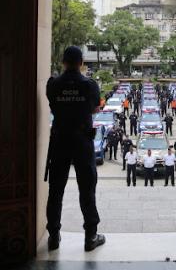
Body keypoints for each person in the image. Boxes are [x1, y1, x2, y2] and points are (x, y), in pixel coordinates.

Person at [45, 46, 105, 252]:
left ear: (63, 62)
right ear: (81, 63)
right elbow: (96, 108)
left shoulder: (53, 85)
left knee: (55, 190)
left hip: (60, 141)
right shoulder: (89, 85)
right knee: (87, 189)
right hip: (82, 142)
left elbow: (53, 105)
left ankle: (53, 236)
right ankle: (90, 236)